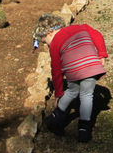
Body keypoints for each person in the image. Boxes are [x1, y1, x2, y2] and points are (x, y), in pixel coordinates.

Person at [34, 13, 108, 143]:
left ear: (50, 33)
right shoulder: (81, 27)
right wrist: (101, 54)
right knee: (87, 95)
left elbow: (56, 71)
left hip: (74, 71)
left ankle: (57, 117)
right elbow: (97, 35)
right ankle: (84, 129)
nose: (49, 45)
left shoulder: (55, 43)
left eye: (46, 42)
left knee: (71, 92)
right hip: (92, 66)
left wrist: (58, 94)